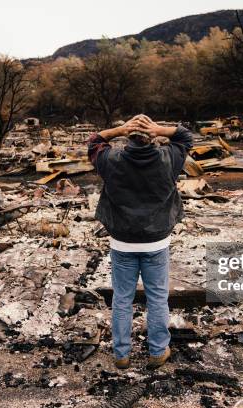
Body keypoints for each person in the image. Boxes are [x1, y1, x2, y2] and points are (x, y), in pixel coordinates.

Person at [88, 114, 193, 369]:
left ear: (128, 136)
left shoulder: (110, 160)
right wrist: (160, 128)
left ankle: (121, 354)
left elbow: (94, 142)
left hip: (122, 243)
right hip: (156, 243)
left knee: (122, 299)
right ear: (152, 136)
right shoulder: (170, 159)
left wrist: (119, 130)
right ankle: (157, 352)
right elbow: (185, 136)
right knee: (157, 297)